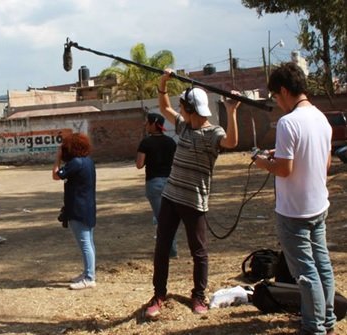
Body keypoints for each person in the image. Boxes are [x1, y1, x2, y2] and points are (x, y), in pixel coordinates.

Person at [144, 69, 240, 319]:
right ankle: (159, 294)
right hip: (171, 196)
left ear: (189, 108)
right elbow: (164, 108)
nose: (179, 110)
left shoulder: (214, 134)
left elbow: (231, 143)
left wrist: (232, 111)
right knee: (161, 246)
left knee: (199, 252)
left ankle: (198, 296)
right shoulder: (184, 127)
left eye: (182, 107)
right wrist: (163, 83)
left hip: (195, 200)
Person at [254, 62, 336, 335]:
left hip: (294, 211)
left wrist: (262, 161)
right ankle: (328, 318)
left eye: (276, 96)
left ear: (285, 91)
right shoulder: (321, 118)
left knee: (305, 272)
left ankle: (314, 327)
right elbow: (323, 164)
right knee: (322, 264)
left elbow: (284, 169)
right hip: (318, 205)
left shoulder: (288, 123)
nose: (276, 103)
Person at [52, 133, 97, 290]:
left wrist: (57, 158)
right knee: (88, 242)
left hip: (78, 208)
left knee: (85, 243)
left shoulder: (76, 163)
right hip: (87, 206)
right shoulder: (88, 162)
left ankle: (90, 277)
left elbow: (56, 175)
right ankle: (87, 273)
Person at [135, 112, 178, 258]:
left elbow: (139, 165)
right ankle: (169, 247)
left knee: (162, 218)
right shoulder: (171, 142)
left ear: (154, 124)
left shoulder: (146, 142)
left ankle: (168, 250)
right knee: (168, 216)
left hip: (154, 183)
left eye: (147, 122)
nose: (145, 125)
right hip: (170, 181)